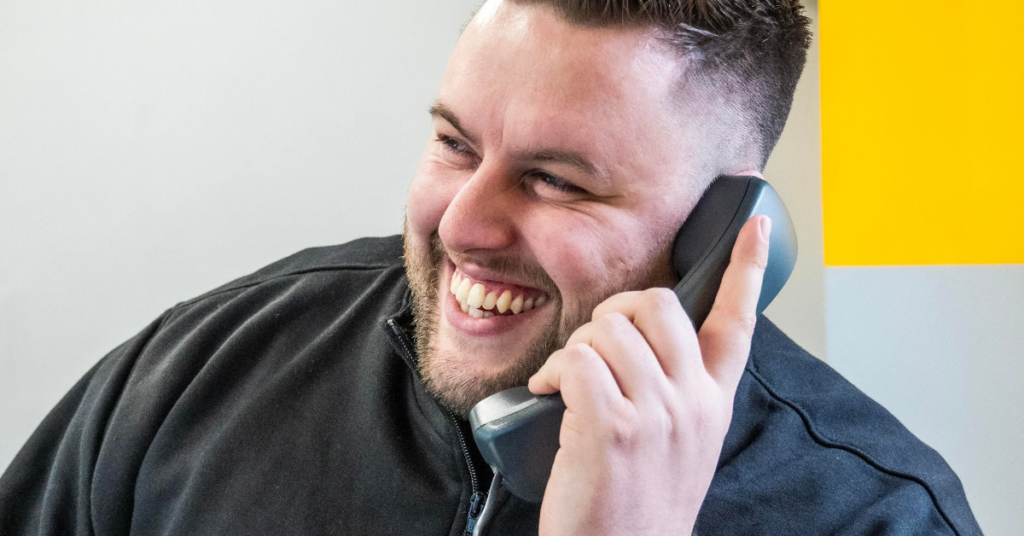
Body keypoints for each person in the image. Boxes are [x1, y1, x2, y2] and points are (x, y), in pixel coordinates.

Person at [0, 0, 981, 534]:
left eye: (555, 181)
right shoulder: (204, 368)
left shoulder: (878, 515)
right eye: (454, 144)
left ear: (723, 232)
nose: (462, 222)